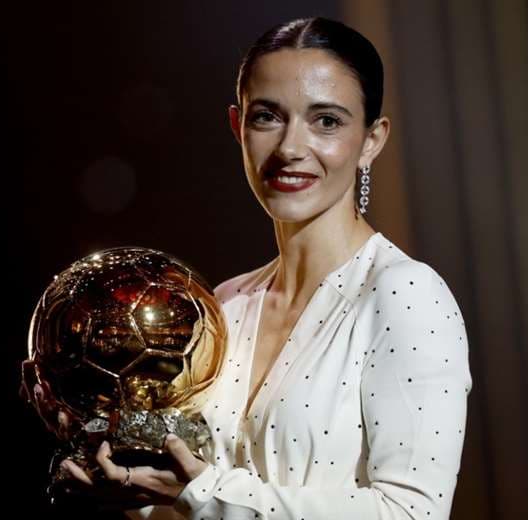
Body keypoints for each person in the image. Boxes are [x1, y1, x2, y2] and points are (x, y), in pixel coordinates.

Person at [60, 16, 473, 520]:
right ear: (238, 128)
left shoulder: (404, 293)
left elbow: (413, 513)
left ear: (372, 140)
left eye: (326, 121)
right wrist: (125, 484)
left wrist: (206, 496)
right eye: (267, 117)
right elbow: (188, 498)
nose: (290, 149)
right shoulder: (224, 305)